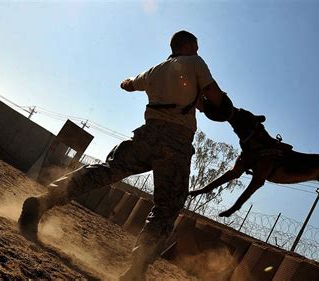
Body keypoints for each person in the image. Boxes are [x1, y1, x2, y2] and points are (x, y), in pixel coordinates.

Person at [18, 30, 227, 281]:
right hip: (176, 144)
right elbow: (216, 98)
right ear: (187, 46)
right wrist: (226, 108)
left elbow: (128, 85)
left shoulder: (154, 71)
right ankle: (136, 270)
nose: (198, 51)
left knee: (107, 170)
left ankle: (43, 201)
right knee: (167, 206)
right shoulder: (195, 62)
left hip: (147, 136)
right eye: (195, 46)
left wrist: (131, 81)